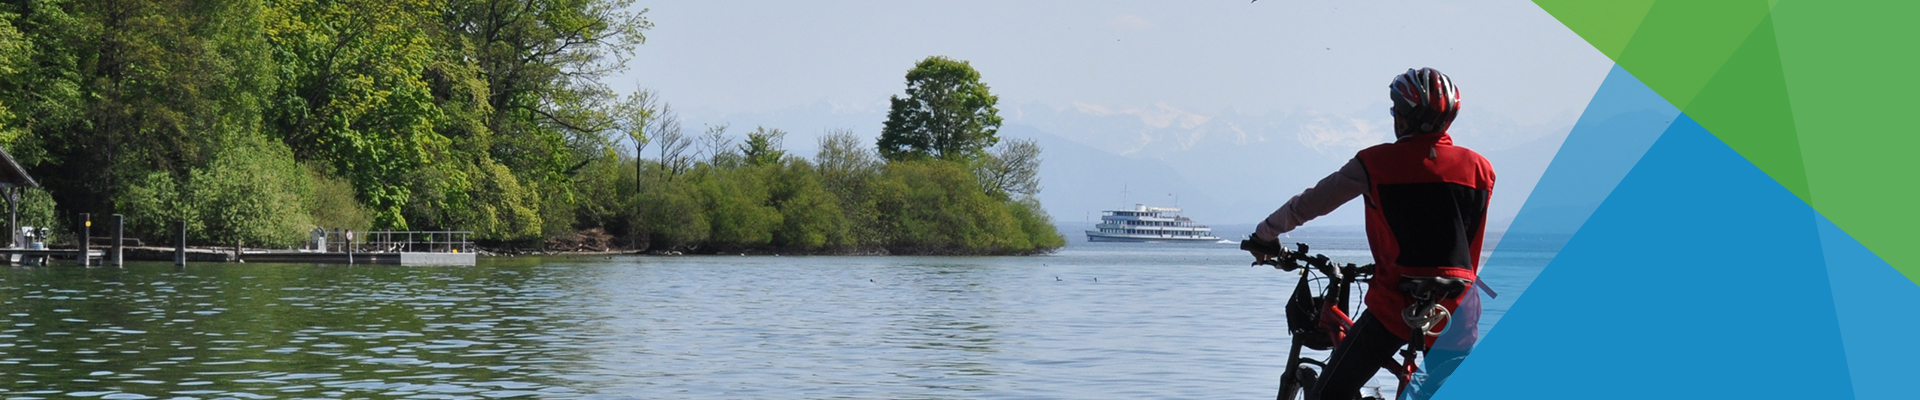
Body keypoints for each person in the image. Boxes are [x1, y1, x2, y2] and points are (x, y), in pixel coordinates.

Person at [1246, 67, 1494, 400]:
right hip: (1458, 309)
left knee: (1329, 394)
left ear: (1402, 119)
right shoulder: (1480, 169)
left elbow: (1309, 204)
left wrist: (1265, 235)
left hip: (1396, 307)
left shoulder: (1375, 164)